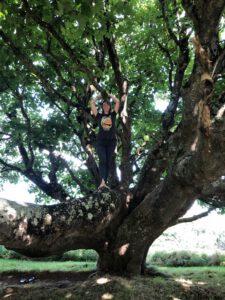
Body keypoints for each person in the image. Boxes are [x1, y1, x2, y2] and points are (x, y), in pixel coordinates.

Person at [90, 92, 120, 190]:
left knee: (107, 162)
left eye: (107, 104)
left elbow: (118, 102)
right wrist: (98, 97)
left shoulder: (113, 114)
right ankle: (102, 182)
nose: (105, 106)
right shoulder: (99, 116)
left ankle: (104, 182)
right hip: (100, 142)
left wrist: (111, 95)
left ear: (109, 106)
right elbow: (91, 104)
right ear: (102, 107)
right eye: (103, 105)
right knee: (102, 160)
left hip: (111, 142)